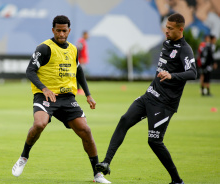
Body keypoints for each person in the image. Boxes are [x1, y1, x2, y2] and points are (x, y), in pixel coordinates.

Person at [95, 13, 197, 184]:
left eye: (170, 29)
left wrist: (172, 76)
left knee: (154, 141)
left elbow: (193, 72)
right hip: (149, 96)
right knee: (124, 120)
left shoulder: (185, 49)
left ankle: (177, 181)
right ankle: (106, 162)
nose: (166, 31)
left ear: (181, 29)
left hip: (164, 104)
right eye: (166, 27)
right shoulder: (166, 43)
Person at [11, 15, 111, 184]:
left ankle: (97, 174)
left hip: (67, 98)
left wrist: (88, 94)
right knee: (39, 124)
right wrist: (44, 88)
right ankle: (23, 157)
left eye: (64, 31)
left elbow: (79, 71)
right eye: (58, 30)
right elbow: (30, 71)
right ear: (53, 30)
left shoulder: (73, 49)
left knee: (85, 131)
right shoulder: (44, 48)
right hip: (45, 96)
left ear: (69, 31)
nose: (61, 34)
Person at [76, 31, 89, 95]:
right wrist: (80, 58)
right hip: (80, 60)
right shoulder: (81, 41)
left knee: (80, 74)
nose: (88, 36)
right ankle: (78, 89)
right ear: (84, 34)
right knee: (79, 75)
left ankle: (78, 89)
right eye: (87, 35)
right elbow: (79, 50)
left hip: (82, 60)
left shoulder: (83, 41)